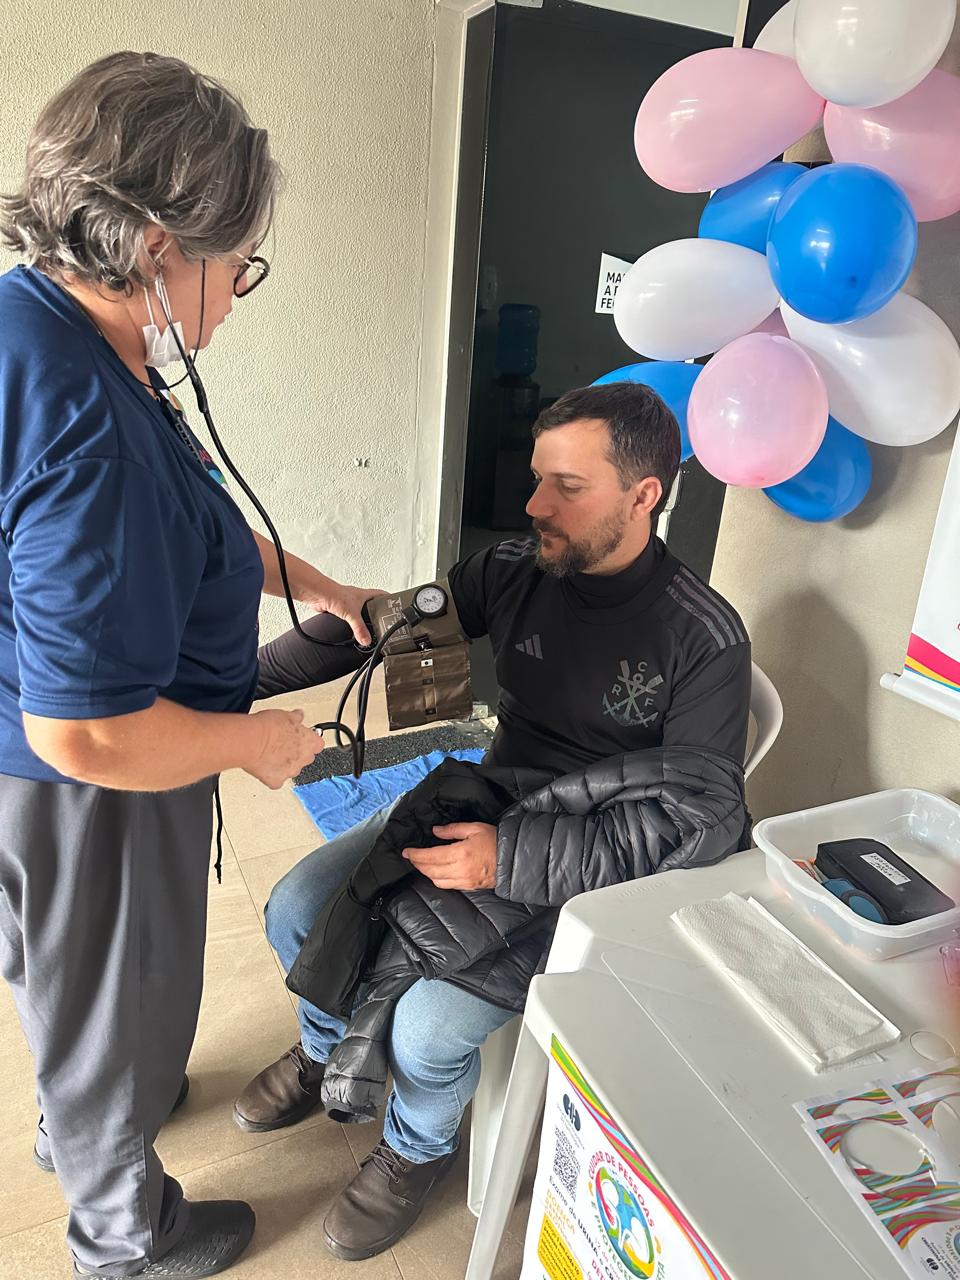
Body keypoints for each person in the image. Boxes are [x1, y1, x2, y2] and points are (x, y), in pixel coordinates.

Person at [0, 52, 381, 1278]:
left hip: (57, 746)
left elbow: (186, 520)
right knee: (104, 995)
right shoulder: (90, 433)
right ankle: (123, 1236)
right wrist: (258, 742)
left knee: (78, 975)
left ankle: (92, 1108)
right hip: (90, 777)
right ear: (159, 249)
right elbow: (89, 734)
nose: (238, 295)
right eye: (239, 264)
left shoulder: (41, 319)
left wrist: (320, 583)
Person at [239, 381, 752, 1260]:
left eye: (567, 486)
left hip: (590, 866)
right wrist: (229, 686)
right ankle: (325, 1045)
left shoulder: (704, 637)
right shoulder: (515, 567)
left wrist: (507, 860)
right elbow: (382, 629)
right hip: (488, 799)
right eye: (537, 478)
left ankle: (415, 1150)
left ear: (643, 496)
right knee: (295, 906)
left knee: (427, 1028)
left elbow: (692, 827)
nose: (534, 504)